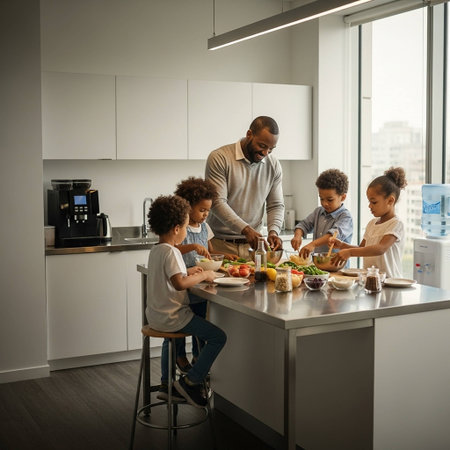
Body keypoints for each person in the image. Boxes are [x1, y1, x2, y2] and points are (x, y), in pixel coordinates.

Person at [146, 195, 227, 408]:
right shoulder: (172, 251)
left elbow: (172, 276)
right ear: (176, 229)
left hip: (155, 317)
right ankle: (191, 382)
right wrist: (204, 276)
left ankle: (169, 384)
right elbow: (180, 284)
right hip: (173, 317)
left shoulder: (157, 249)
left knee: (209, 335)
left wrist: (190, 270)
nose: (186, 231)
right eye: (184, 226)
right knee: (218, 337)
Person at [173, 176, 237, 374]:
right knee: (180, 328)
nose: (205, 215)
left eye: (208, 211)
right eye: (202, 210)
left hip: (201, 285)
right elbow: (173, 251)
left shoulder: (205, 227)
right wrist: (192, 247)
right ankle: (179, 357)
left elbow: (210, 252)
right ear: (187, 207)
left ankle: (198, 359)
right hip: (184, 284)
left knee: (201, 321)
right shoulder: (178, 229)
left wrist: (226, 257)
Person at [205, 116, 285, 259]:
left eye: (271, 149)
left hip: (253, 248)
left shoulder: (273, 165)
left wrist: (274, 232)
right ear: (249, 135)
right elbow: (217, 203)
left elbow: (276, 205)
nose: (265, 153)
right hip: (220, 246)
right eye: (262, 146)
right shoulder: (220, 158)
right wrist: (246, 230)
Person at [329, 167, 407, 278]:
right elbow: (361, 249)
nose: (370, 206)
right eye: (369, 201)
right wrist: (342, 245)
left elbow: (380, 249)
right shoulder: (372, 224)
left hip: (390, 282)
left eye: (374, 202)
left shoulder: (396, 224)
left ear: (390, 200)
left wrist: (349, 252)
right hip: (370, 281)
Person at [291, 169, 353, 258]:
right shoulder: (318, 212)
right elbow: (303, 225)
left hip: (337, 267)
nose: (324, 203)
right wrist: (297, 236)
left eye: (330, 200)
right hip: (318, 265)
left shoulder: (345, 217)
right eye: (321, 199)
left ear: (343, 197)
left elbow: (333, 235)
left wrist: (313, 244)